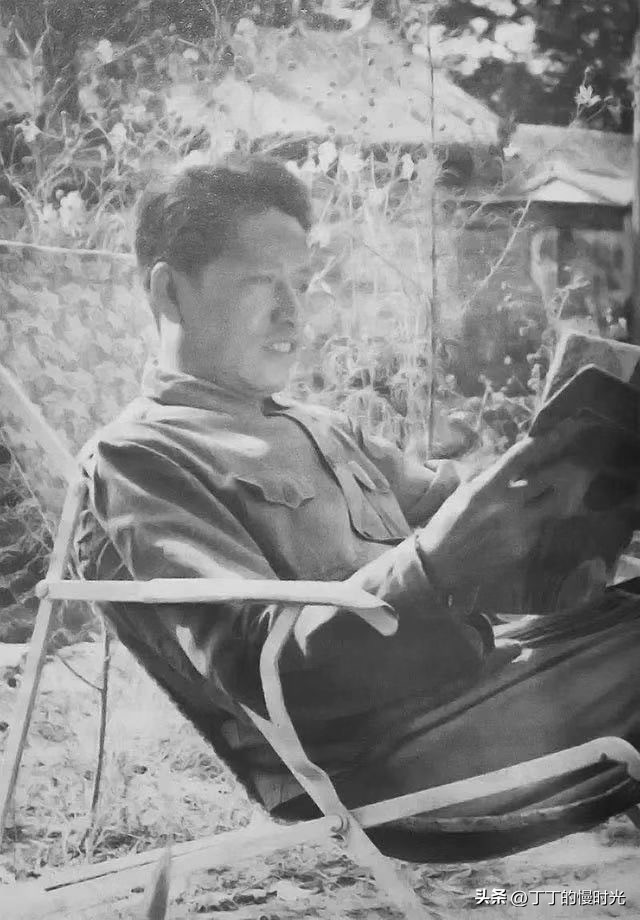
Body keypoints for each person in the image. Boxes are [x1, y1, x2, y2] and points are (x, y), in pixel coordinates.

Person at [75, 156, 640, 840]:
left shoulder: (323, 429)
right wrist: (436, 566)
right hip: (381, 762)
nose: (293, 314)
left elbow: (463, 507)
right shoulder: (142, 456)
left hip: (489, 685)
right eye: (261, 283)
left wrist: (572, 484)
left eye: (301, 284)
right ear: (170, 293)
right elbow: (259, 669)